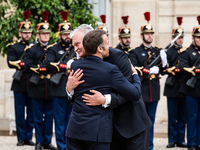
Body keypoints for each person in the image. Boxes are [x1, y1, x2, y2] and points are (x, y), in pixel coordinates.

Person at [66, 29, 142, 150]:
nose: (75, 49)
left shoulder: (75, 66)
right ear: (99, 48)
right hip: (98, 132)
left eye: (77, 44)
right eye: (107, 43)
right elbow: (134, 93)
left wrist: (105, 99)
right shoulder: (110, 69)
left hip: (76, 130)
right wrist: (136, 75)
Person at [129, 11, 168, 150]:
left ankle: (149, 146)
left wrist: (164, 61)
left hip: (154, 90)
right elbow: (133, 69)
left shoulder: (158, 51)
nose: (149, 36)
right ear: (141, 36)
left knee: (151, 120)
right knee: (141, 121)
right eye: (147, 34)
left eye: (151, 33)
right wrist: (147, 70)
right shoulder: (135, 52)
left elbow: (163, 71)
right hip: (141, 90)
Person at [24, 11, 56, 150]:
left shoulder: (53, 49)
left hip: (50, 86)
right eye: (43, 34)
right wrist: (38, 69)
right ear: (38, 35)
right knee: (37, 116)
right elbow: (26, 65)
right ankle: (38, 141)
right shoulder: (32, 49)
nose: (45, 36)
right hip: (36, 86)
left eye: (47, 34)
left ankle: (47, 141)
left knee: (49, 117)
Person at [45, 11, 75, 150]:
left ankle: (70, 145)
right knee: (60, 120)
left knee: (71, 119)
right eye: (64, 34)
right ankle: (61, 146)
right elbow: (48, 64)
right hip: (58, 89)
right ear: (59, 35)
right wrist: (63, 66)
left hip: (73, 88)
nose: (67, 37)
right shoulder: (53, 49)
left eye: (69, 34)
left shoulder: (75, 49)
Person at [6, 10, 35, 147]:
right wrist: (25, 63)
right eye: (24, 32)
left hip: (33, 83)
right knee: (19, 111)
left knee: (31, 112)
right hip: (19, 82)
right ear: (20, 33)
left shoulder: (35, 47)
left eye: (29, 32)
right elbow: (11, 62)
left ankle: (29, 136)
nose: (27, 34)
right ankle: (21, 138)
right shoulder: (14, 47)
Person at [164, 17, 187, 148]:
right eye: (178, 37)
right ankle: (172, 139)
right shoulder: (169, 51)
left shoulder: (185, 52)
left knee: (182, 116)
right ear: (173, 38)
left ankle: (180, 139)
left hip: (183, 86)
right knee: (172, 116)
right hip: (172, 86)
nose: (180, 40)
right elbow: (165, 68)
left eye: (182, 37)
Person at [178, 15, 200, 150]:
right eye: (198, 37)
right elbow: (181, 68)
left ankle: (198, 142)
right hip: (191, 89)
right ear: (193, 38)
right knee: (192, 117)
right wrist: (197, 70)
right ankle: (192, 143)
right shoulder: (187, 51)